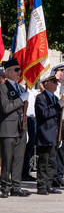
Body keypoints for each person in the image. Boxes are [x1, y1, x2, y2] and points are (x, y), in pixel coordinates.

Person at [0, 58, 30, 198]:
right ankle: (5, 187)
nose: (19, 72)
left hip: (21, 129)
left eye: (19, 69)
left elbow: (23, 111)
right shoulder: (2, 87)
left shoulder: (22, 88)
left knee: (19, 159)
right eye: (16, 70)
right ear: (8, 72)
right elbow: (6, 108)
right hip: (8, 129)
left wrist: (26, 129)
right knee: (7, 159)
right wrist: (20, 100)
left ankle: (16, 186)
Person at [34, 74, 64, 195]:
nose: (56, 84)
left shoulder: (55, 98)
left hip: (54, 134)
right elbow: (45, 113)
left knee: (52, 161)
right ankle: (41, 186)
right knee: (44, 161)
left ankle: (48, 184)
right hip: (45, 133)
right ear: (46, 83)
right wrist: (58, 106)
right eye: (53, 81)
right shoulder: (40, 98)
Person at [52, 63, 64, 188]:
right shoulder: (54, 87)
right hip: (57, 122)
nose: (62, 73)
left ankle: (59, 175)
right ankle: (54, 176)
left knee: (63, 152)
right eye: (61, 71)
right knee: (55, 151)